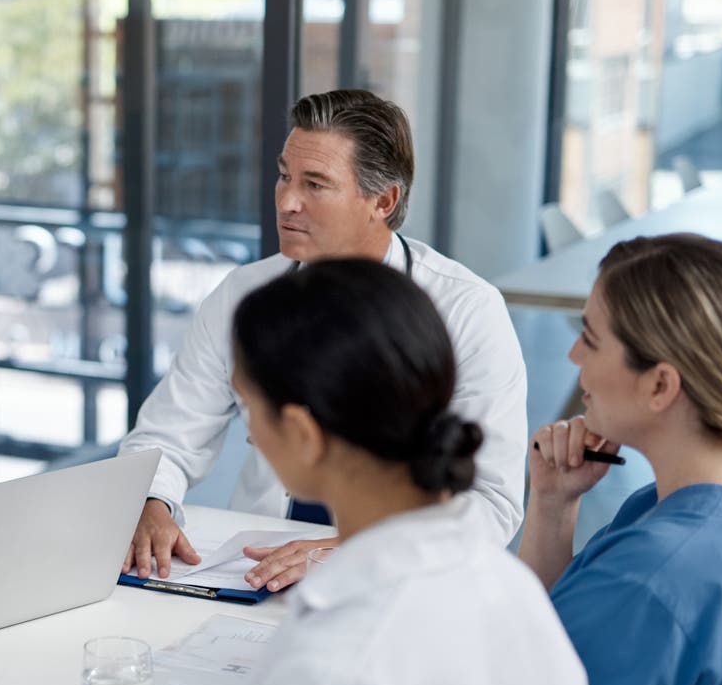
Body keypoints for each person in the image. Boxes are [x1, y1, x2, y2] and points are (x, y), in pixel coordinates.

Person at [0, 263, 587, 685]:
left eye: (252, 407)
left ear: (304, 435)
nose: (248, 432)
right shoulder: (510, 592)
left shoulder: (344, 666)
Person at [120, 89, 526, 591]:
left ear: (383, 201)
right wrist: (150, 503)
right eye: (284, 176)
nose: (286, 202)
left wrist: (351, 550)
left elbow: (491, 502)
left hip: (398, 578)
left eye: (315, 184)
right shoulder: (243, 294)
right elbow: (167, 435)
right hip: (252, 571)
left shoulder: (467, 310)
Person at [520, 234, 722, 685]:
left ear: (661, 385)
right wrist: (554, 506)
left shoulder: (656, 580)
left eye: (590, 338)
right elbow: (543, 646)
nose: (573, 359)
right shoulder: (679, 516)